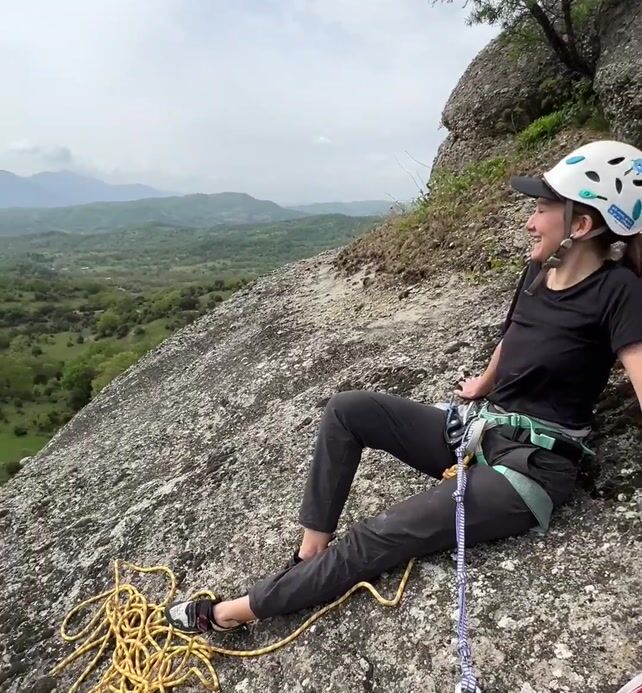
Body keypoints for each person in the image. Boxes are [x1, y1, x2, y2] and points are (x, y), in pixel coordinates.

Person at [166, 140, 642, 636]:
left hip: (530, 468)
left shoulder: (621, 293)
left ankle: (226, 614)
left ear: (580, 225)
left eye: (542, 209)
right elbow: (515, 334)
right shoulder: (538, 271)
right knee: (348, 410)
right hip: (483, 431)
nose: (530, 221)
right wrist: (483, 383)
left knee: (379, 534)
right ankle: (309, 556)